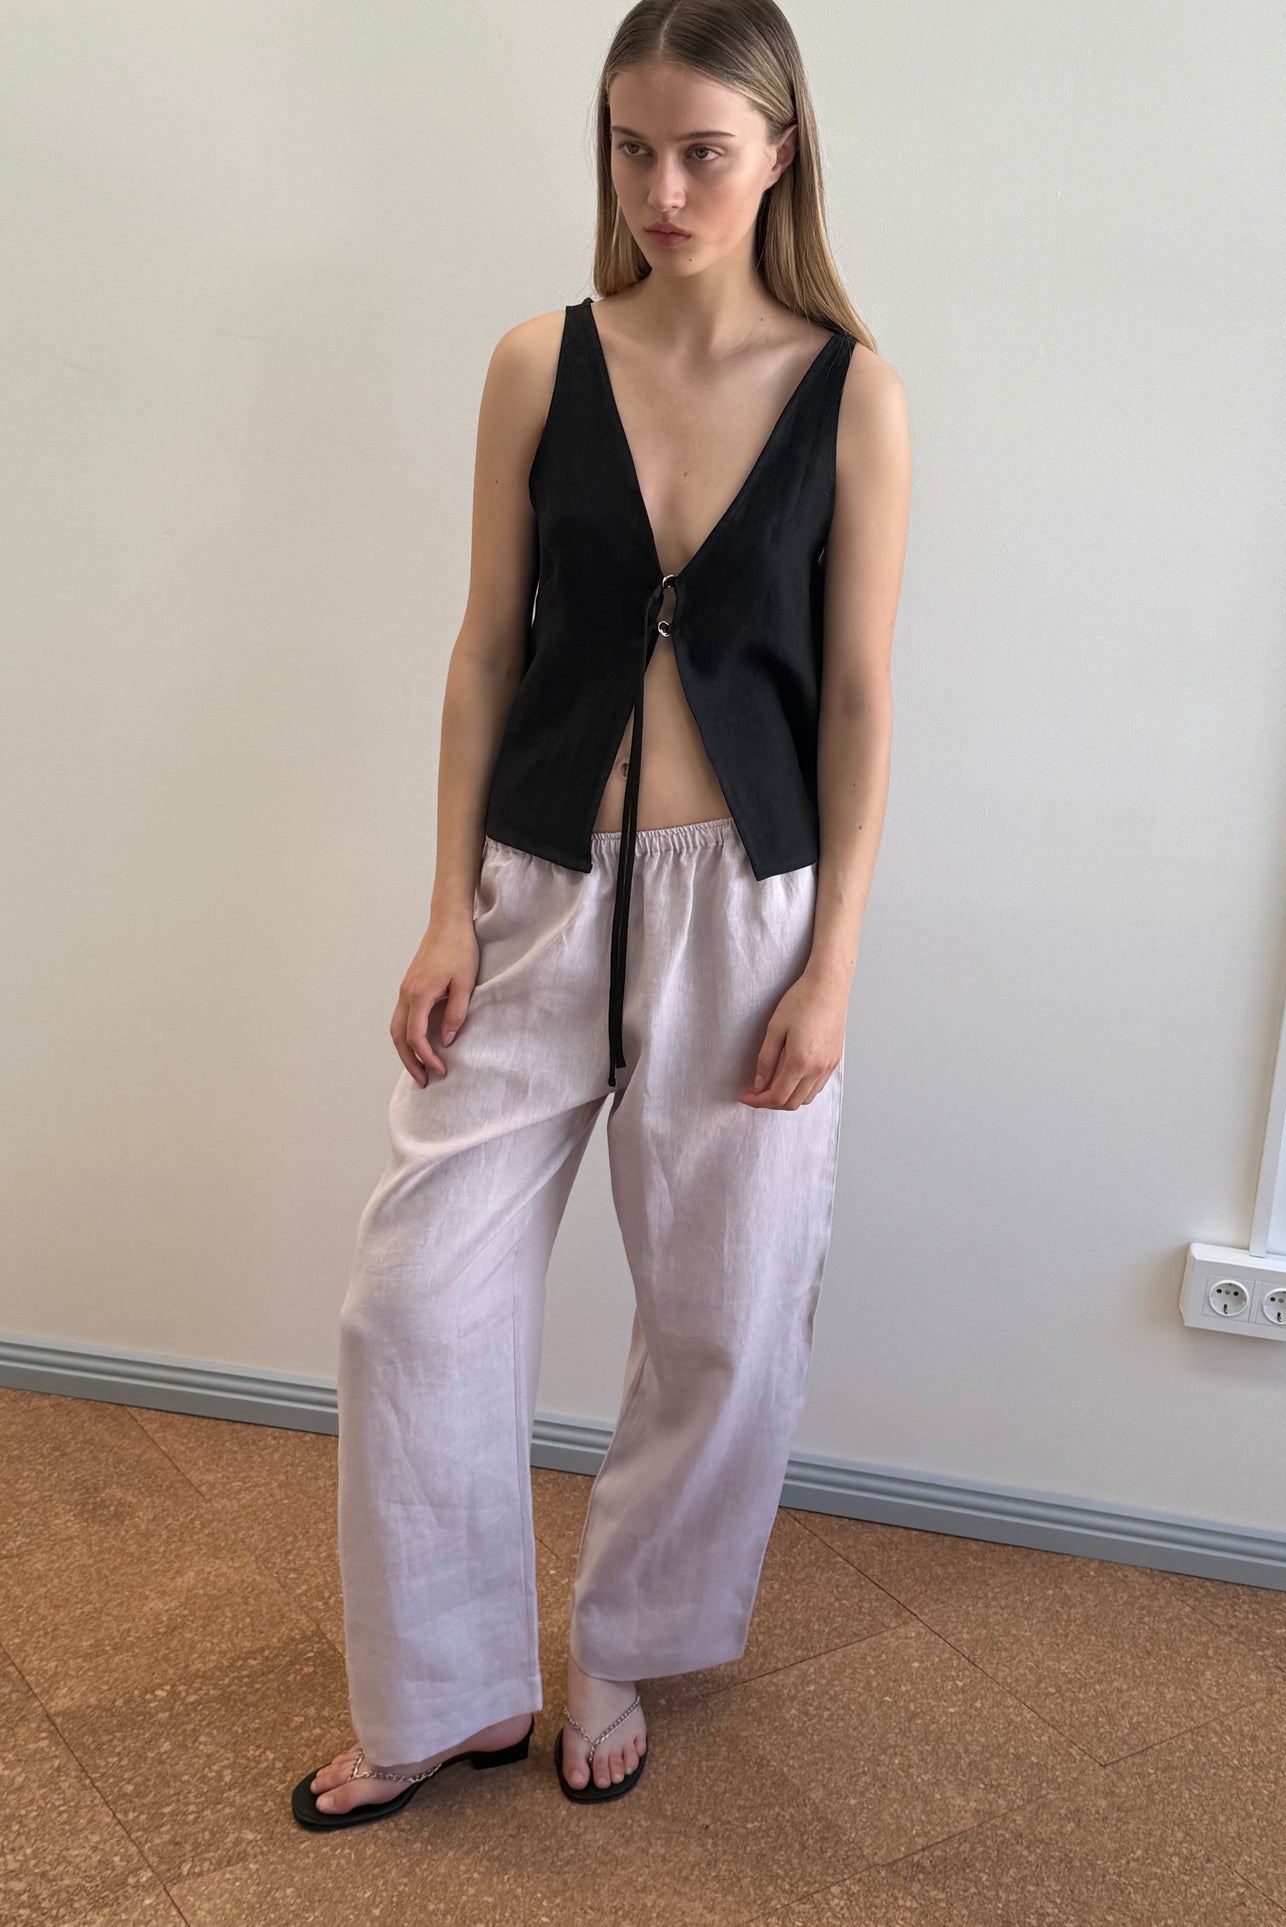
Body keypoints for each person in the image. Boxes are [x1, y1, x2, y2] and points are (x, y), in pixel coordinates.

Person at [292, 0, 909, 1829]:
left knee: (722, 1319)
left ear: (780, 149)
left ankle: (626, 1641)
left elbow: (863, 698)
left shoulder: (850, 387)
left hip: (750, 911)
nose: (659, 187)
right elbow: (490, 646)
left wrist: (832, 967)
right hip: (538, 887)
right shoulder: (532, 362)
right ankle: (444, 1689)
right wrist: (443, 908)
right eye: (630, 148)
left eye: (701, 150)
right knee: (413, 1306)